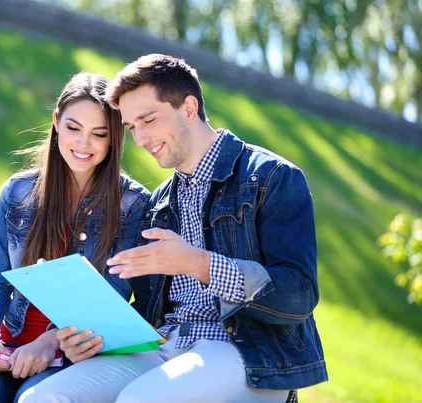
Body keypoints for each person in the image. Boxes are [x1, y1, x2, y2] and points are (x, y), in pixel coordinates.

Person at [19, 54, 328, 402]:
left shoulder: (271, 178)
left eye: (148, 120)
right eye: (132, 126)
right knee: (42, 398)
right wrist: (95, 339)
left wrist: (197, 263)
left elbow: (299, 294)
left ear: (189, 109)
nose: (140, 138)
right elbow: (150, 309)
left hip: (248, 353)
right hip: (169, 343)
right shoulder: (162, 202)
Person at [0, 72, 151, 403]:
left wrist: (49, 343)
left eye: (99, 134)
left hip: (72, 358)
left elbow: (111, 298)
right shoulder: (18, 193)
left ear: (114, 139)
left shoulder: (132, 206)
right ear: (56, 122)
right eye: (73, 128)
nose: (82, 144)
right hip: (10, 349)